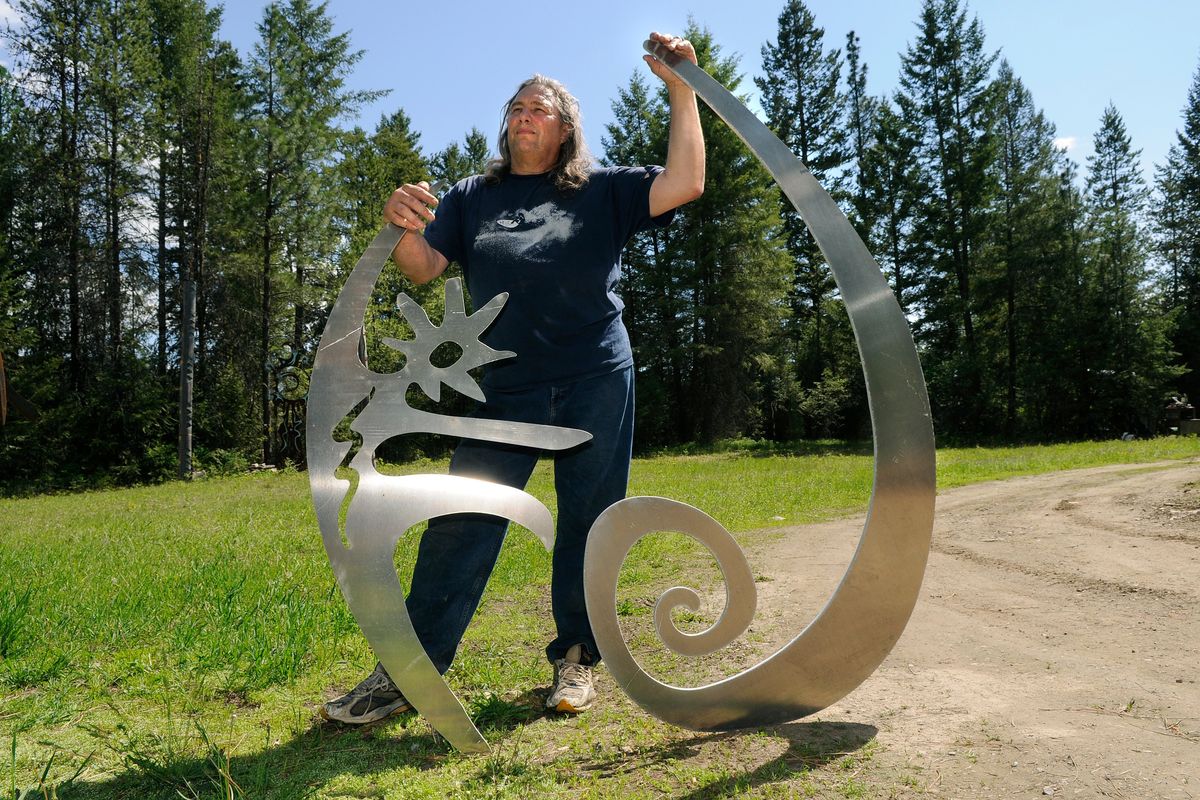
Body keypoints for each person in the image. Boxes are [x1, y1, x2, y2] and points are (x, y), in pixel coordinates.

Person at [322, 31, 705, 724]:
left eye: (538, 107)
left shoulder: (603, 190)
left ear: (564, 130)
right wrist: (402, 222)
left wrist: (683, 88)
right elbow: (422, 267)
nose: (522, 114)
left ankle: (578, 662)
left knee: (590, 520)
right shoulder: (474, 195)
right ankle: (410, 672)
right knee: (463, 517)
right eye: (516, 107)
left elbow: (688, 182)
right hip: (506, 390)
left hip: (594, 375)